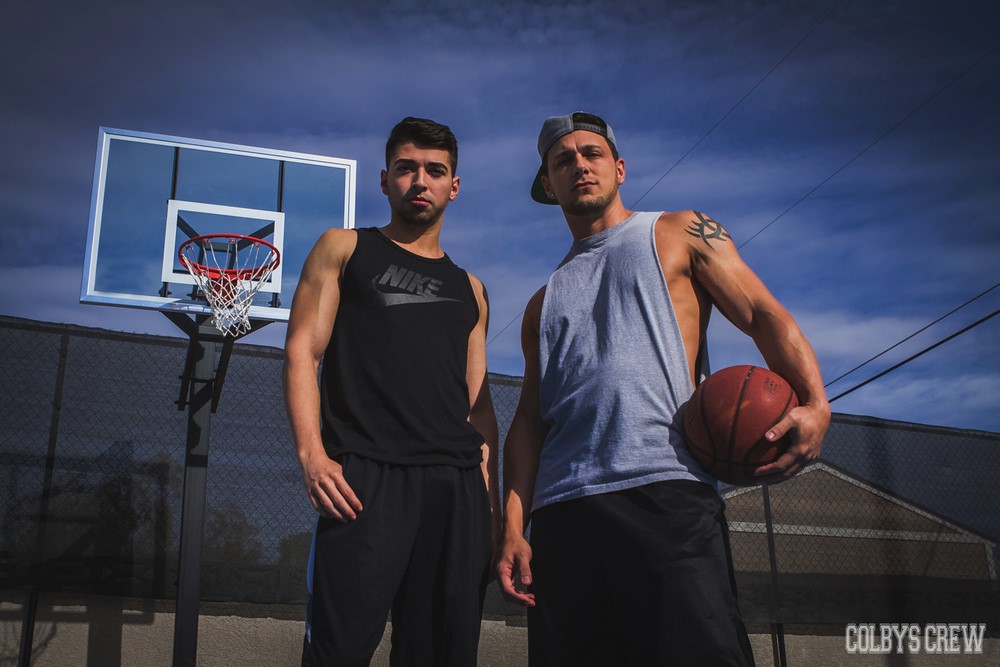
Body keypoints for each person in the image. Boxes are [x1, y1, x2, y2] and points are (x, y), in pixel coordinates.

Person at [497, 112, 831, 665]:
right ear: (548, 185)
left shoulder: (678, 231)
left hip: (665, 489)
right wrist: (513, 526)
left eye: (592, 154)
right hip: (562, 513)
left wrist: (816, 403)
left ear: (620, 168)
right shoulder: (542, 301)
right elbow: (530, 422)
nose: (579, 165)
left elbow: (761, 313)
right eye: (563, 161)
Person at [284, 116, 499, 666]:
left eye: (435, 171)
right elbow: (303, 351)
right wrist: (312, 455)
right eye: (406, 168)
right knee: (337, 652)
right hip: (365, 481)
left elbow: (479, 404)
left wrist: (489, 504)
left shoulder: (471, 289)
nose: (420, 181)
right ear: (385, 180)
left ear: (454, 186)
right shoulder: (344, 248)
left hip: (455, 488)